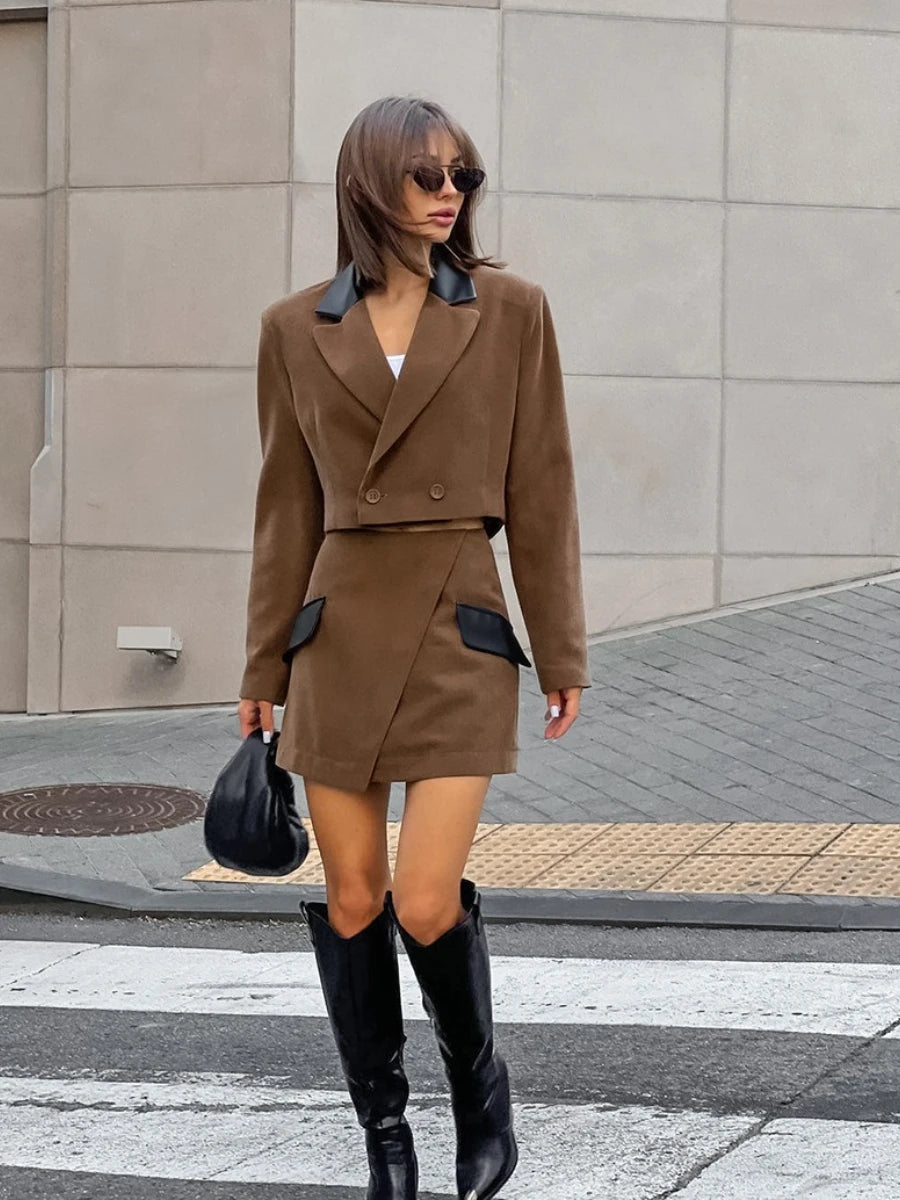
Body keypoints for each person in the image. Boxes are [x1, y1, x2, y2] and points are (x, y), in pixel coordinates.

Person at [237, 95, 591, 1200]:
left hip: (457, 624)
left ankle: (482, 1104)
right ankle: (387, 1142)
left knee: (425, 899)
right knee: (352, 896)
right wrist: (259, 669)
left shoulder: (512, 311)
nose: (450, 194)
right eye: (428, 176)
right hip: (334, 633)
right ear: (369, 186)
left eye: (463, 178)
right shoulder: (295, 327)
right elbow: (284, 508)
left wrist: (562, 648)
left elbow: (542, 491)